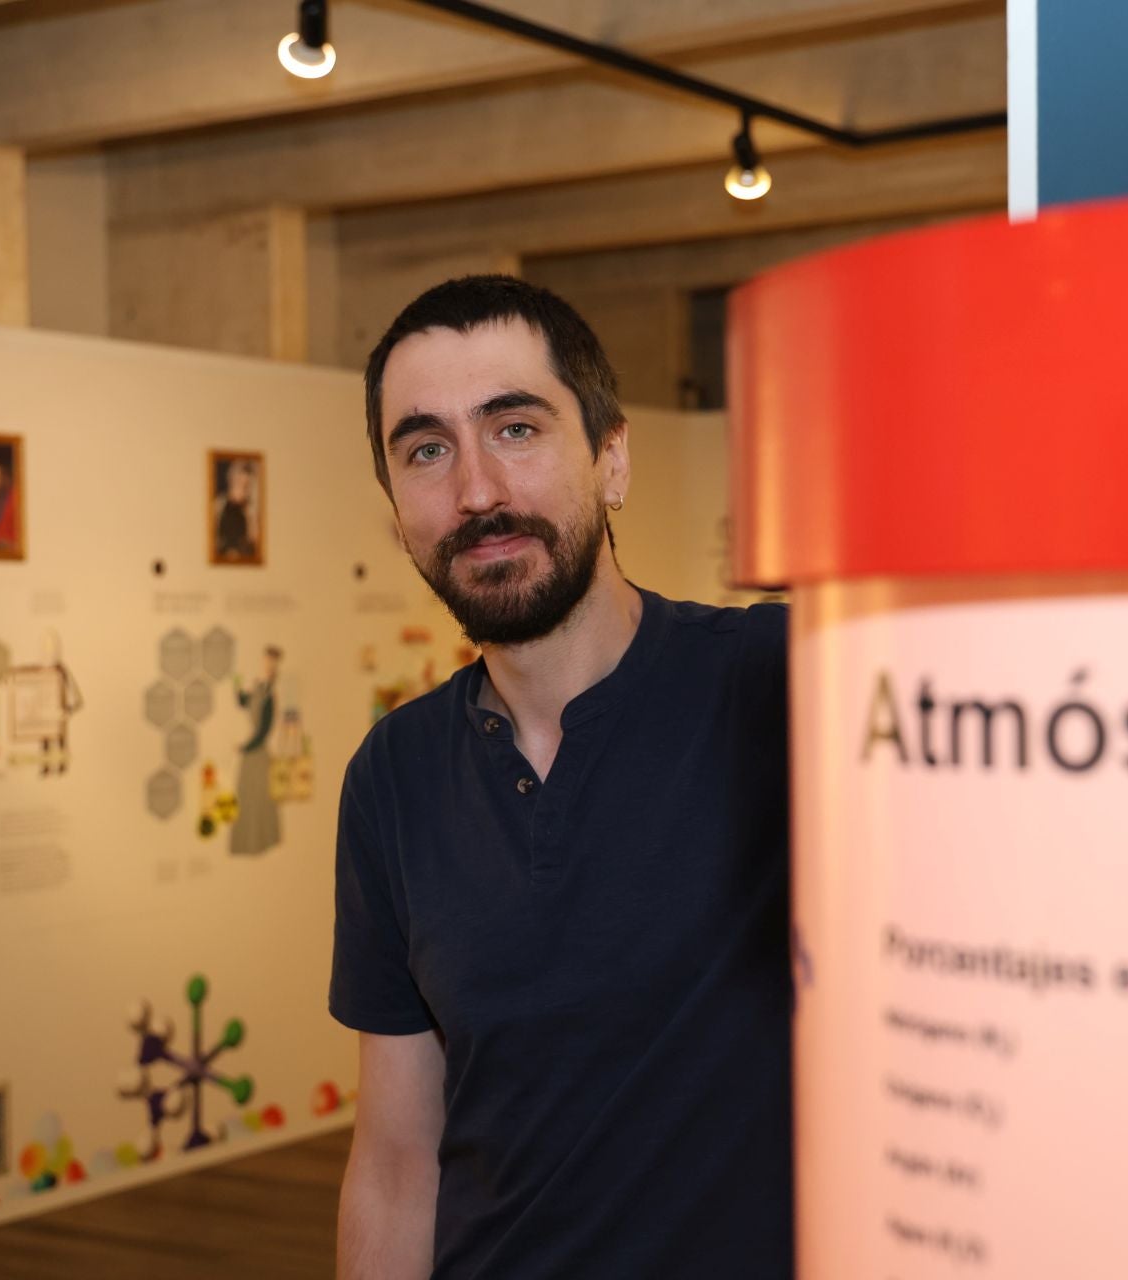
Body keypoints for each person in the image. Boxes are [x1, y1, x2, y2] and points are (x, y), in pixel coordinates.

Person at [330, 276, 791, 1279]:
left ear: (611, 457)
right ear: (395, 504)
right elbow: (397, 1161)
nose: (477, 491)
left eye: (516, 429)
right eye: (426, 449)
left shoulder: (776, 684)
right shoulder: (393, 775)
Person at [231, 645, 283, 855]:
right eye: (266, 660)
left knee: (259, 798)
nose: (268, 664)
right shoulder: (258, 687)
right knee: (246, 797)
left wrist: (246, 746)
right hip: (252, 753)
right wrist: (236, 685)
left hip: (258, 753)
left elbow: (264, 730)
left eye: (272, 661)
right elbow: (245, 702)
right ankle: (247, 843)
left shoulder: (270, 695)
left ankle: (261, 842)